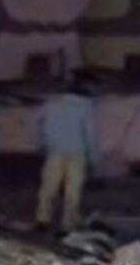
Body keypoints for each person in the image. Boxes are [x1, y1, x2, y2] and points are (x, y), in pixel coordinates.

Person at [35, 74, 100, 232]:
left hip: (55, 151)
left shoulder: (52, 103)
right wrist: (94, 158)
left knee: (49, 188)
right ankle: (68, 224)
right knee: (73, 191)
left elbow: (39, 126)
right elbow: (90, 134)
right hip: (78, 154)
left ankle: (43, 220)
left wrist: (41, 145)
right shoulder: (86, 106)